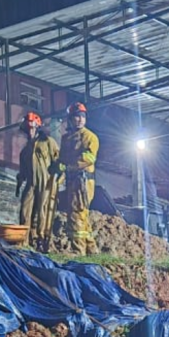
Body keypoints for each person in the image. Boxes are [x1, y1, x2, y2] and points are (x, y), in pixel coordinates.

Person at [56, 102, 100, 254]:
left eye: (82, 116)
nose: (80, 119)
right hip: (72, 180)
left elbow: (88, 158)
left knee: (76, 213)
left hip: (83, 181)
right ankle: (91, 250)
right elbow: (62, 159)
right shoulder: (66, 139)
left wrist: (68, 167)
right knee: (82, 215)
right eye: (77, 116)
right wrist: (58, 174)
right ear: (70, 119)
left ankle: (78, 250)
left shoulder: (89, 137)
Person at [16, 112, 60, 247]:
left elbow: (58, 161)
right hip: (31, 183)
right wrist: (19, 182)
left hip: (45, 182)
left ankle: (42, 240)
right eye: (27, 129)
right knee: (25, 209)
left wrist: (57, 178)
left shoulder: (48, 142)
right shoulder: (25, 151)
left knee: (42, 210)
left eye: (32, 128)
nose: (30, 131)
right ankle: (24, 240)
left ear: (37, 127)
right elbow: (22, 171)